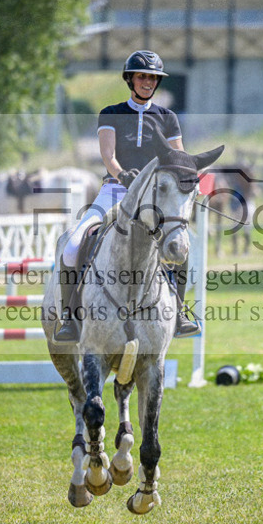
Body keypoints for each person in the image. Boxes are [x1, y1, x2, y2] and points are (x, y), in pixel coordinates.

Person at [55, 49, 197, 343]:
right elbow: (108, 155)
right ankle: (69, 317)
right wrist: (122, 175)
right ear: (130, 79)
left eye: (153, 78)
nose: (147, 82)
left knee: (181, 246)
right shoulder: (111, 113)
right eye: (142, 76)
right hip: (115, 191)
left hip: (154, 197)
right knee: (72, 245)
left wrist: (185, 180)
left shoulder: (167, 118)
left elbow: (177, 156)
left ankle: (180, 313)